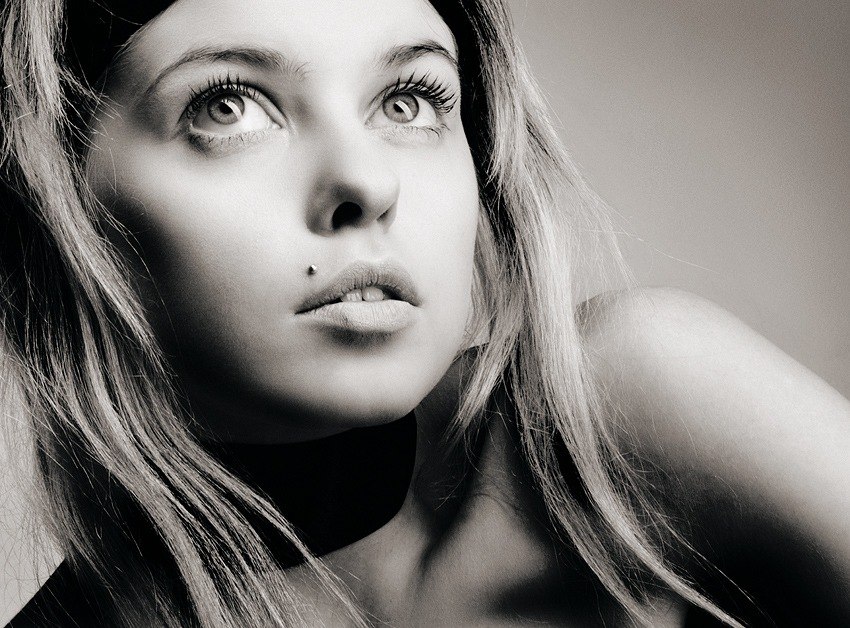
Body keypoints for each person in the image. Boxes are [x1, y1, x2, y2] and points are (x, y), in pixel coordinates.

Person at [1, 0, 848, 625]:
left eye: (408, 100)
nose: (368, 182)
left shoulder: (629, 424)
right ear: (54, 200)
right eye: (229, 106)